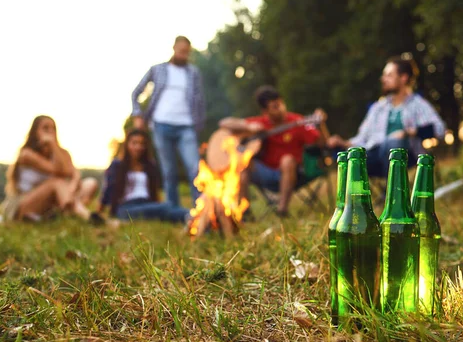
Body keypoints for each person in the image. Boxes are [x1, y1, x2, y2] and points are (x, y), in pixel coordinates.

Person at [327, 56, 446, 177]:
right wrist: (343, 142)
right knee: (348, 156)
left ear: (403, 78)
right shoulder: (378, 108)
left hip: (405, 155)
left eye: (389, 75)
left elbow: (440, 129)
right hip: (374, 154)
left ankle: (393, 192)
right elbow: (362, 138)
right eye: (384, 75)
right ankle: (358, 194)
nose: (383, 79)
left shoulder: (417, 104)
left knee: (394, 143)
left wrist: (408, 132)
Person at [218, 86, 326, 217]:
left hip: (292, 174)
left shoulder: (298, 122)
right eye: (275, 107)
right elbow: (224, 123)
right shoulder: (260, 122)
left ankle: (282, 210)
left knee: (287, 160)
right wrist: (248, 126)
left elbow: (323, 143)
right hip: (265, 173)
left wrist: (321, 124)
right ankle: (244, 212)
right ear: (265, 111)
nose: (281, 109)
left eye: (281, 104)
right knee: (242, 164)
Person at [130, 35, 205, 208]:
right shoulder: (158, 69)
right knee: (169, 171)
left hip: (186, 126)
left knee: (195, 168)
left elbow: (200, 100)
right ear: (174, 48)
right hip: (161, 125)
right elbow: (136, 92)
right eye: (181, 51)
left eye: (186, 52)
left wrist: (198, 125)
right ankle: (173, 210)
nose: (183, 55)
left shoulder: (193, 72)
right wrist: (138, 115)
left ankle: (201, 208)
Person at [1, 115, 103, 224]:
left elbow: (73, 173)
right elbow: (60, 171)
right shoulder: (27, 154)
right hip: (22, 205)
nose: (50, 132)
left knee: (90, 183)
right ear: (35, 132)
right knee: (56, 182)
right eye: (45, 128)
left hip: (50, 204)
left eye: (53, 128)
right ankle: (86, 216)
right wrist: (53, 144)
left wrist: (73, 184)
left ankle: (64, 213)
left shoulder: (61, 153)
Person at [98, 129, 190, 223]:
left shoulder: (150, 166)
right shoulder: (117, 165)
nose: (138, 147)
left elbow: (154, 190)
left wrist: (156, 203)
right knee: (165, 208)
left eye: (142, 144)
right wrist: (99, 211)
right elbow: (108, 189)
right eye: (134, 143)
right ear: (127, 145)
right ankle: (192, 216)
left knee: (164, 210)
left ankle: (193, 218)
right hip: (125, 208)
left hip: (147, 203)